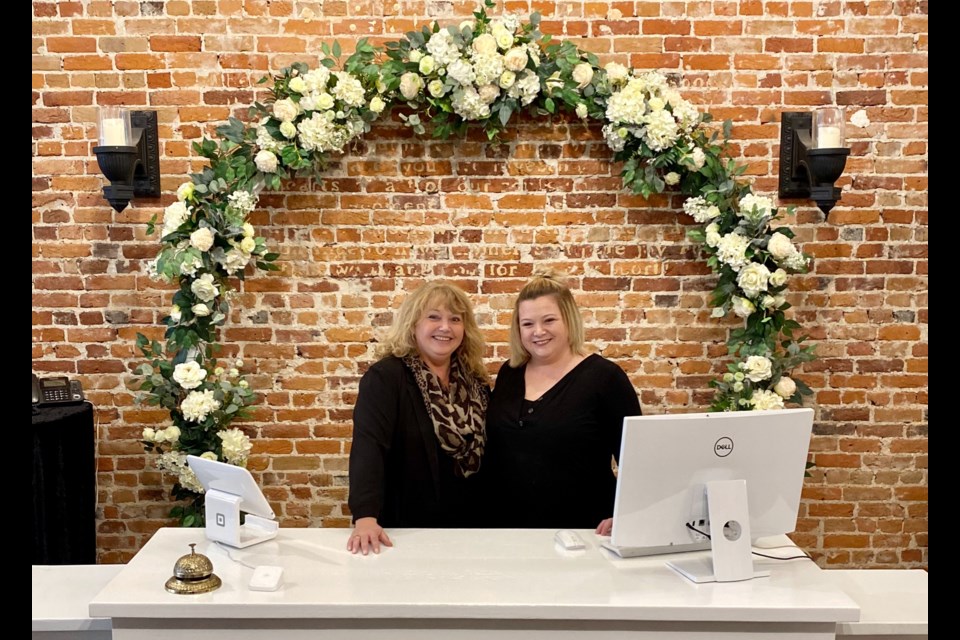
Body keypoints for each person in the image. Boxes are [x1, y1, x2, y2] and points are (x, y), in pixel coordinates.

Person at [482, 270, 641, 535]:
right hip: (508, 532)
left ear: (568, 320)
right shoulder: (509, 373)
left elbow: (638, 460)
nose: (538, 332)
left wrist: (628, 515)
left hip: (584, 533)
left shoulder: (605, 378)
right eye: (528, 324)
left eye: (549, 320)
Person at [347, 281, 490, 554]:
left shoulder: (476, 382)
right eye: (433, 317)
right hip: (407, 527)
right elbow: (369, 447)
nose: (445, 327)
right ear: (413, 325)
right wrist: (365, 517)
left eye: (455, 319)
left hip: (471, 525)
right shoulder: (387, 378)